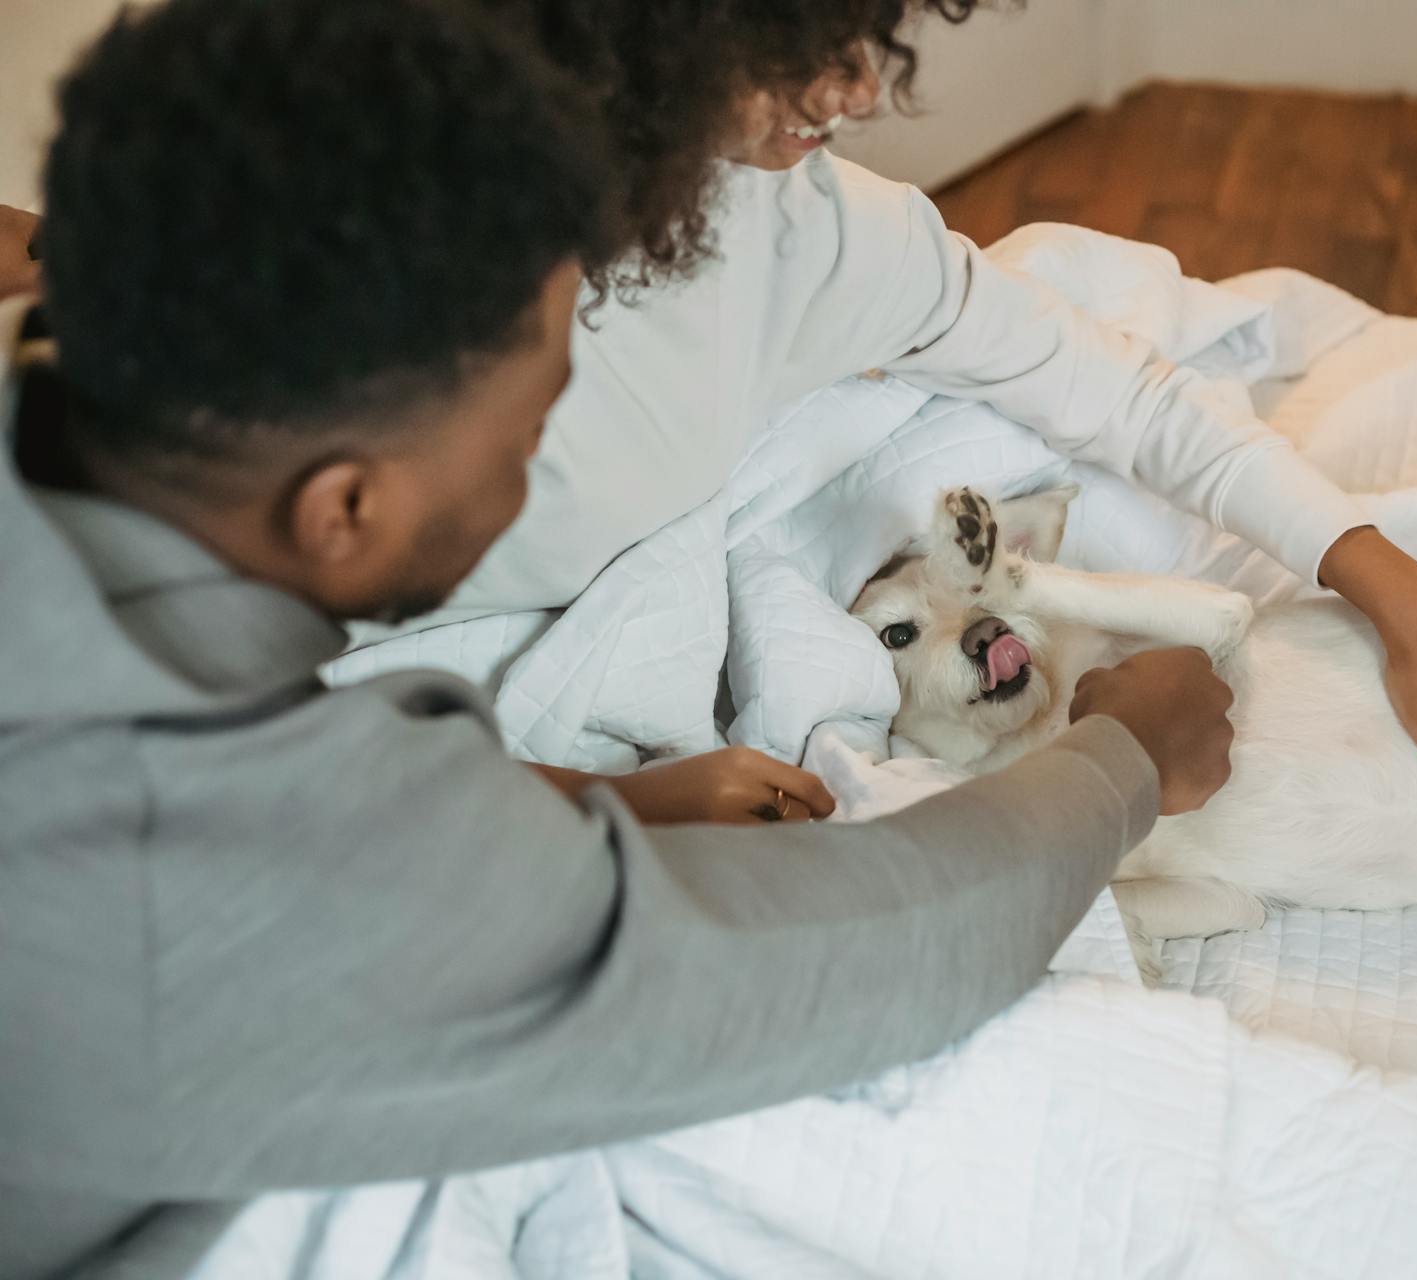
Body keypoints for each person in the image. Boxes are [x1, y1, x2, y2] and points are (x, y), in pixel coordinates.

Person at [0, 2, 1236, 1276]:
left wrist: (600, 795)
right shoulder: (247, 865)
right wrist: (1120, 756)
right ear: (344, 507)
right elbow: (863, 955)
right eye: (531, 430)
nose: (550, 459)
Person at [422, 0, 1417, 856]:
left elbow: (1124, 394)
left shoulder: (808, 230)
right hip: (436, 766)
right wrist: (608, 802)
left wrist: (1407, 597)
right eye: (790, 43)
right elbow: (255, 758)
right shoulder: (399, 318)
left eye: (867, 29)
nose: (856, 91)